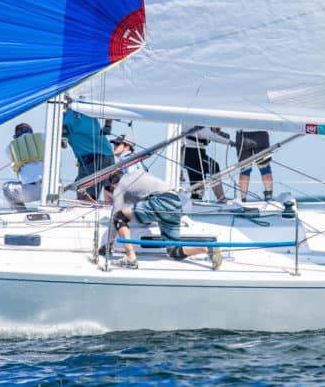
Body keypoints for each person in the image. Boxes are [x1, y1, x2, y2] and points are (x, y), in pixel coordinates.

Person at [108, 135, 222, 270]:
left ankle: (130, 258)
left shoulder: (121, 185)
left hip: (160, 200)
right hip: (174, 201)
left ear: (113, 184)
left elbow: (116, 213)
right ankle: (207, 249)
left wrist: (109, 243)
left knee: (119, 217)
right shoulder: (139, 174)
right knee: (174, 251)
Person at [62, 107, 114, 202]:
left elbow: (107, 107)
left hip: (102, 154)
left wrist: (108, 125)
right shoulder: (58, 118)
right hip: (84, 161)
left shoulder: (83, 106)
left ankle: (116, 214)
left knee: (109, 192)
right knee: (83, 193)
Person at [181, 125, 231, 202]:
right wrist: (230, 142)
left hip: (196, 151)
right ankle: (221, 198)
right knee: (214, 167)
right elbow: (207, 134)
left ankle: (196, 201)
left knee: (198, 183)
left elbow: (206, 132)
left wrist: (218, 132)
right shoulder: (195, 118)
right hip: (191, 151)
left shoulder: (195, 118)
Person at [2, 123, 44, 211]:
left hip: (31, 191)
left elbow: (13, 161)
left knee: (6, 187)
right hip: (51, 190)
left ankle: (20, 213)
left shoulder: (10, 147)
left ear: (16, 135)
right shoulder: (43, 138)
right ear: (31, 133)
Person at [235, 130, 273, 202]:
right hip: (260, 133)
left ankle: (243, 199)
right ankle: (269, 197)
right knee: (264, 168)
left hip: (243, 134)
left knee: (245, 169)